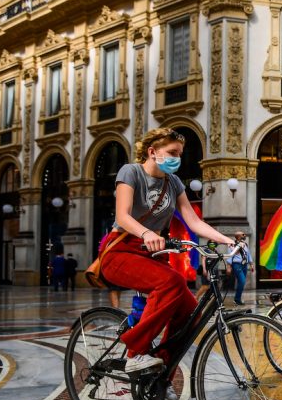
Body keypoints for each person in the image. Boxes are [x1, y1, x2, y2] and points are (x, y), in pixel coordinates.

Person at [100, 127, 235, 379]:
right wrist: (146, 233)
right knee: (171, 282)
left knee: (191, 313)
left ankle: (160, 376)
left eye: (180, 154)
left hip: (153, 254)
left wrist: (227, 239)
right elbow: (122, 215)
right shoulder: (131, 172)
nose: (177, 158)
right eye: (172, 152)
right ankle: (135, 353)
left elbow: (193, 221)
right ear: (153, 152)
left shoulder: (173, 182)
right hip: (121, 251)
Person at [229, 230, 255, 307]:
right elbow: (230, 255)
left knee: (241, 282)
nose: (245, 235)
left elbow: (248, 254)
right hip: (237, 264)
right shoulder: (233, 244)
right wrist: (228, 266)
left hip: (244, 265)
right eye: (243, 234)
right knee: (242, 281)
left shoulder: (245, 244)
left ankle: (237, 299)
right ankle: (237, 299)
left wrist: (251, 264)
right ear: (238, 236)